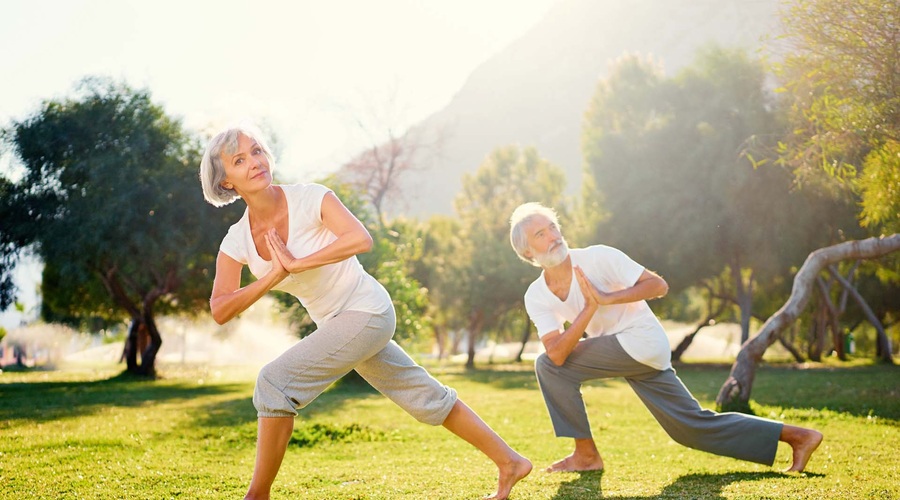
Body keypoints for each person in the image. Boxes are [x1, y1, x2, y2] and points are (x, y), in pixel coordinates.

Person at [199, 124, 532, 500]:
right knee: (425, 397)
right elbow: (221, 308)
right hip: (340, 325)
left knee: (273, 383)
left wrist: (298, 262)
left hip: (367, 311)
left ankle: (256, 496)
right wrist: (274, 276)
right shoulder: (237, 239)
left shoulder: (311, 198)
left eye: (257, 151)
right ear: (226, 181)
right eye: (239, 160)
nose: (254, 162)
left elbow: (360, 239)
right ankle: (510, 462)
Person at [507, 202, 823, 474]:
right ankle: (798, 437)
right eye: (541, 234)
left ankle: (586, 455)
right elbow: (558, 353)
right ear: (526, 252)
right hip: (625, 351)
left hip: (642, 341)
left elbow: (657, 285)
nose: (553, 236)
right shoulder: (536, 295)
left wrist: (604, 298)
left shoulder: (598, 257)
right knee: (690, 430)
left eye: (553, 227)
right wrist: (589, 308)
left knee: (546, 367)